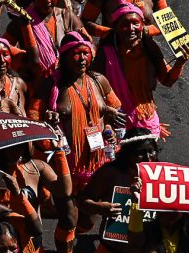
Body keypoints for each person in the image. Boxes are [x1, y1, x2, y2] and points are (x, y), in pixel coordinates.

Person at [29, 31, 123, 193]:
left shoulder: (99, 80)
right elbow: (32, 117)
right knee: (70, 215)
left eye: (85, 53)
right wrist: (48, 126)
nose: (82, 59)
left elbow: (115, 109)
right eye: (76, 54)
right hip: (66, 163)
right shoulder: (50, 85)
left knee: (92, 214)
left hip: (98, 159)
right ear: (64, 57)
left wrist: (108, 128)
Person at [78, 127, 159, 253]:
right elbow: (82, 201)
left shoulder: (163, 175)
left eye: (151, 151)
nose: (147, 158)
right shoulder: (110, 173)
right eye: (140, 153)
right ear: (127, 154)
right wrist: (100, 207)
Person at [93, 2, 187, 137]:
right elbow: (92, 87)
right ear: (115, 27)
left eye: (135, 24)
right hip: (117, 126)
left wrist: (180, 63)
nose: (131, 29)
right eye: (125, 24)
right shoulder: (105, 54)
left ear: (143, 25)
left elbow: (167, 80)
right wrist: (107, 109)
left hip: (148, 123)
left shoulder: (149, 48)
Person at [6, 0, 87, 84]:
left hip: (66, 83)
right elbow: (4, 47)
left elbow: (88, 43)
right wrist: (20, 66)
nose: (48, 0)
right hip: (37, 85)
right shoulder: (23, 21)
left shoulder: (67, 17)